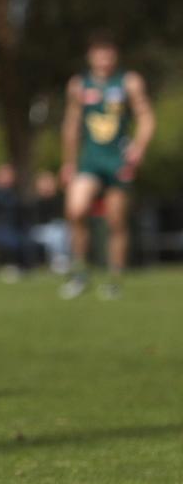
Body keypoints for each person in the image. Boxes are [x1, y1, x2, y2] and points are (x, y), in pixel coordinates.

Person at [59, 34, 156, 300]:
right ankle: (80, 272)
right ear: (90, 55)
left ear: (115, 55)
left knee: (115, 220)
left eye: (108, 52)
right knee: (75, 209)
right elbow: (71, 125)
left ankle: (114, 278)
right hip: (90, 159)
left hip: (118, 160)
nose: (103, 58)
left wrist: (139, 148)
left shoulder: (129, 82)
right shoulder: (79, 85)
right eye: (98, 52)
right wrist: (68, 163)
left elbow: (146, 117)